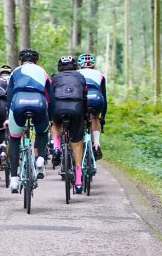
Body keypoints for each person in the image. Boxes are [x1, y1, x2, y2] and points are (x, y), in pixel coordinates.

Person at [6, 49, 54, 193]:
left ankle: (14, 179)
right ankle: (40, 159)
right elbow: (51, 98)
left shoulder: (15, 72)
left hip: (18, 104)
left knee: (14, 140)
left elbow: (8, 96)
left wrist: (9, 115)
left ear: (21, 61)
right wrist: (50, 118)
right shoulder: (43, 72)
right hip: (38, 103)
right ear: (36, 61)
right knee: (42, 131)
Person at [50, 56, 87, 193]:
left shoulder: (54, 78)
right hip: (76, 107)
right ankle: (78, 181)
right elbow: (85, 97)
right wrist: (85, 116)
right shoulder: (80, 77)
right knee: (77, 143)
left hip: (58, 106)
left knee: (55, 123)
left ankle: (57, 147)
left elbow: (50, 97)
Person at [77, 53, 107, 159]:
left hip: (81, 97)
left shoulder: (76, 73)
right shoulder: (100, 74)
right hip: (96, 97)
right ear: (92, 65)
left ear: (80, 65)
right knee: (95, 117)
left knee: (78, 118)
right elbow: (104, 96)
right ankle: (96, 144)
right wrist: (102, 117)